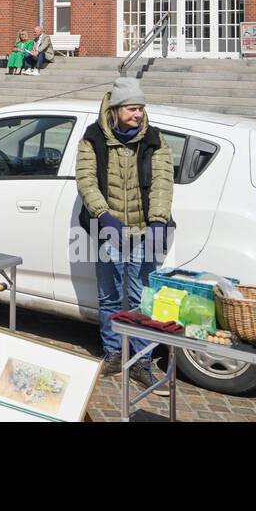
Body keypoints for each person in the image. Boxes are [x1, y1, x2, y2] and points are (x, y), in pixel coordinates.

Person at [76, 76, 174, 392]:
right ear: (116, 109)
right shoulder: (92, 139)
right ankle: (114, 353)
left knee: (141, 296)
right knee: (109, 294)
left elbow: (163, 182)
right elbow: (86, 180)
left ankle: (142, 361)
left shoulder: (155, 140)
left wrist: (158, 221)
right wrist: (104, 215)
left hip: (146, 232)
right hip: (109, 231)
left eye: (141, 108)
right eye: (132, 108)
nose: (138, 114)